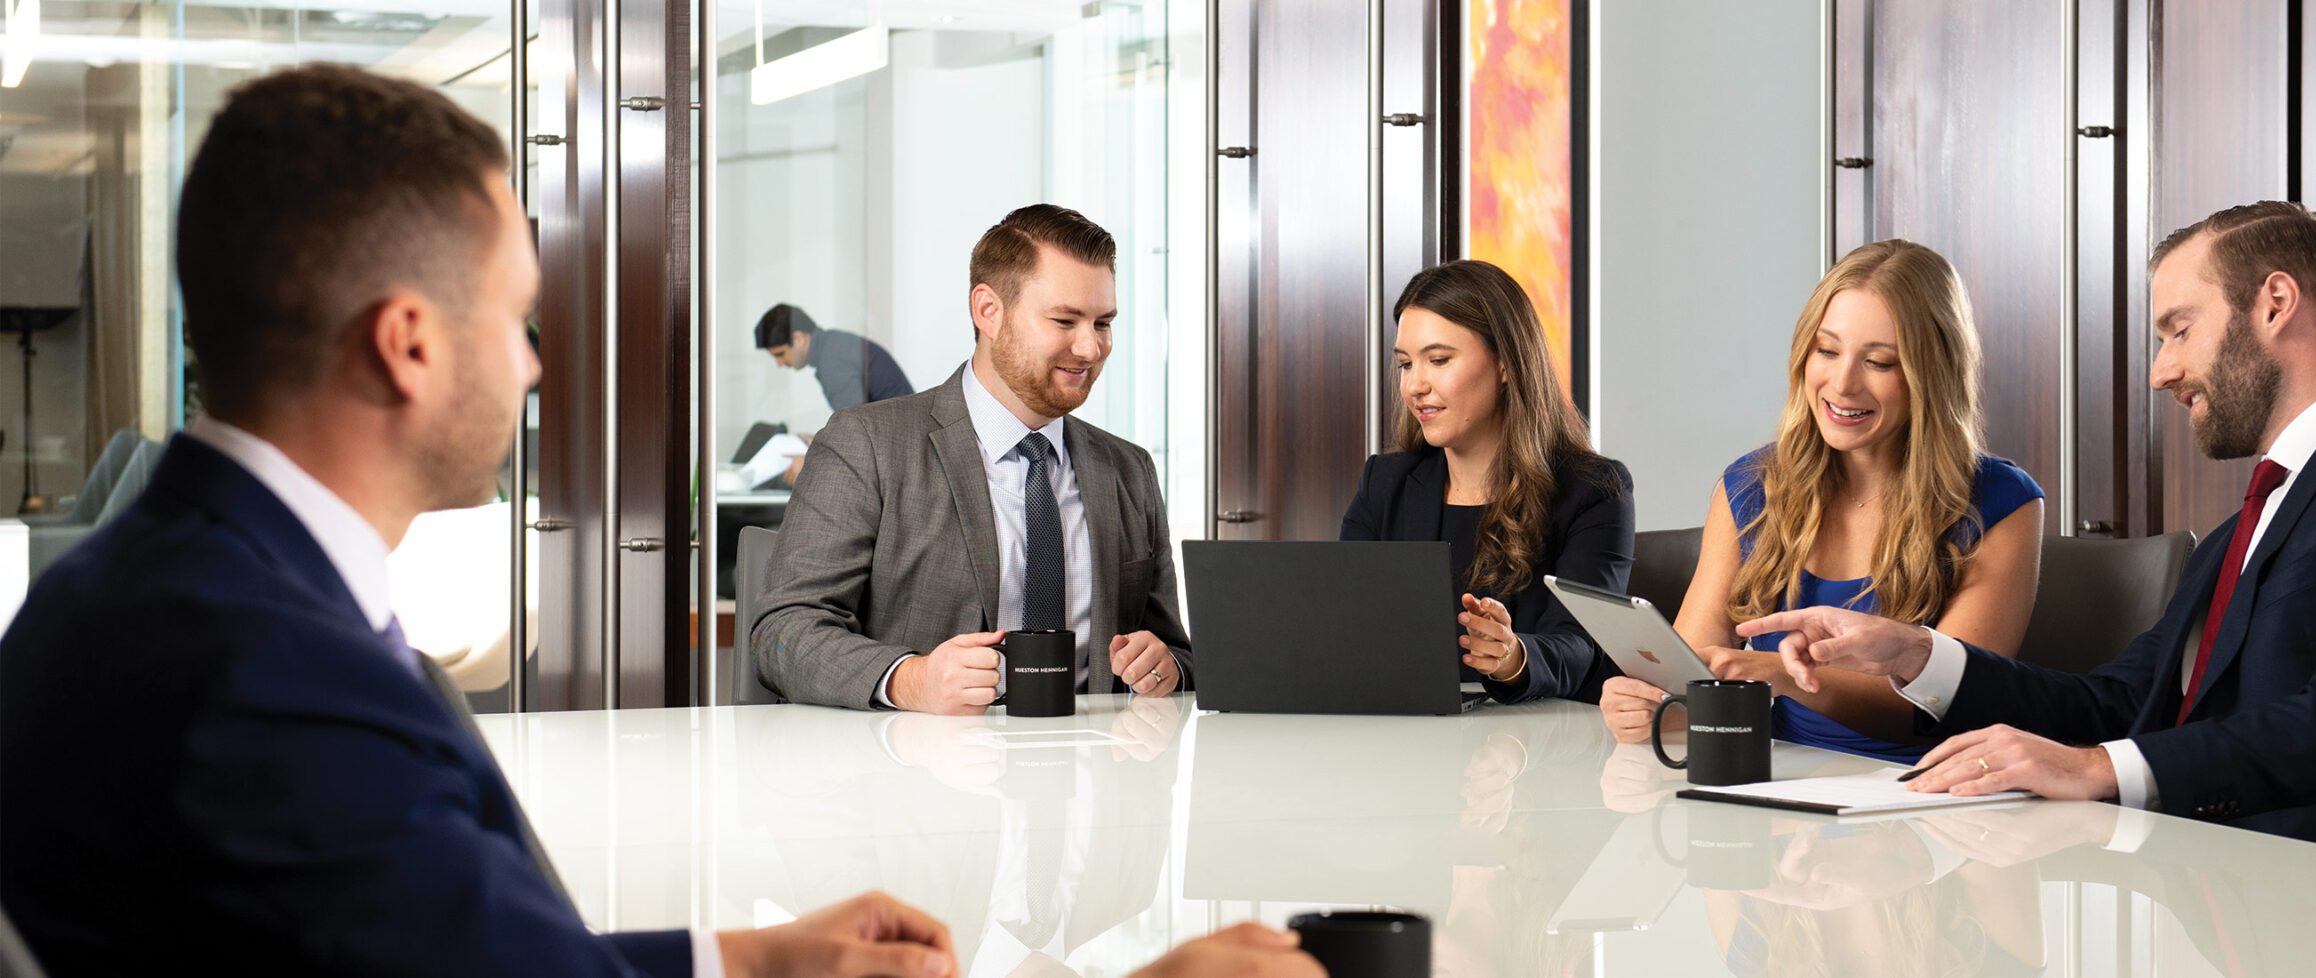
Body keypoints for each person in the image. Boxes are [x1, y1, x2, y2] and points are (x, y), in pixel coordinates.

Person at [0, 66, 1314, 977]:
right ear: (405, 344)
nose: (530, 370)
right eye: (515, 323)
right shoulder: (268, 677)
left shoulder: (171, 591)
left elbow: (466, 952)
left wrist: (748, 954)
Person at [1751, 202, 2316, 873]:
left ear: (2275, 303)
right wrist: (1915, 654)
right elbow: (2121, 701)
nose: (2162, 371)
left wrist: (2098, 769)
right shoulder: (2248, 527)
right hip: (2223, 889)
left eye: (2179, 330)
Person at [1595, 240, 2044, 763]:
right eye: (1826, 351)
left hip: (1922, 798)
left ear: (1933, 374)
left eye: (1879, 362)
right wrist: (1649, 708)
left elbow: (1953, 703)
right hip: (1777, 785)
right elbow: (1691, 680)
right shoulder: (1748, 486)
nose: (1842, 383)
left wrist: (1787, 677)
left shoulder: (2003, 503)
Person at [754, 204, 1192, 714]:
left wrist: (1165, 666)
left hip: (1094, 772)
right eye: (1064, 320)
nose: (1090, 347)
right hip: (923, 776)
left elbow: (1174, 651)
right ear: (988, 311)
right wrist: (908, 680)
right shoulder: (867, 445)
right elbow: (783, 631)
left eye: (1104, 323)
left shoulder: (1129, 469)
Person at [1339, 259, 1634, 702]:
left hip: (1538, 750)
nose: (1414, 385)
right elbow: (1341, 625)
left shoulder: (1593, 489)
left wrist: (1515, 657)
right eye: (1405, 365)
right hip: (1406, 744)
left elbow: (1581, 646)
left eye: (1438, 360)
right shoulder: (1384, 483)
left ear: (1505, 364)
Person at [757, 303, 915, 411]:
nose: (778, 363)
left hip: (897, 446)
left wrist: (809, 457)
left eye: (780, 354)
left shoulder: (831, 361)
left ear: (799, 339)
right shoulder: (833, 344)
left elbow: (854, 433)